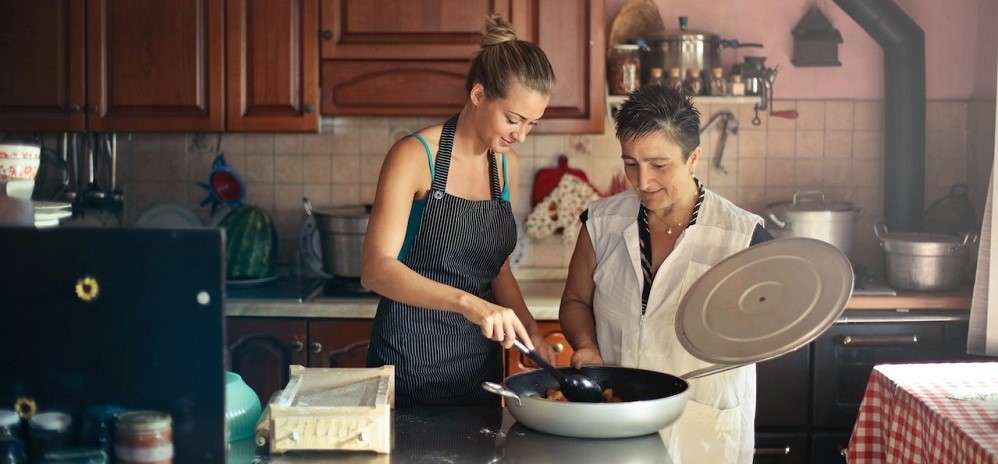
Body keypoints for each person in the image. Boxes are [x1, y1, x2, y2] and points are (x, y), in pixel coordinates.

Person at [559, 84, 772, 463]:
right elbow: (575, 301)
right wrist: (586, 345)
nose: (642, 181)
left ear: (693, 158)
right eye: (630, 163)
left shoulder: (743, 237)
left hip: (704, 427)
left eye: (659, 165)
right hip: (617, 421)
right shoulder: (601, 223)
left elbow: (771, 328)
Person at [361, 15, 557, 407]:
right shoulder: (415, 156)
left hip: (480, 374)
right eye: (513, 119)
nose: (520, 134)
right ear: (479, 95)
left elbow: (498, 269)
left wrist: (531, 330)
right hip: (407, 366)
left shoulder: (506, 165)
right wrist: (469, 303)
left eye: (532, 123)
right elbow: (376, 269)